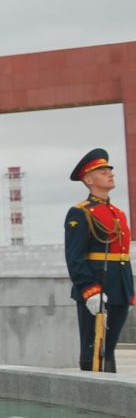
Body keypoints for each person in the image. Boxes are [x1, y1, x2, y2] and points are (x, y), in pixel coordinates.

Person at [64, 147, 132, 372]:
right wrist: (90, 289)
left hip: (118, 287)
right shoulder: (80, 212)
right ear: (89, 179)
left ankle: (109, 393)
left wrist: (127, 289)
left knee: (109, 348)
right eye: (103, 171)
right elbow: (74, 258)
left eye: (110, 170)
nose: (110, 174)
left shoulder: (117, 213)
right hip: (97, 286)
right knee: (94, 349)